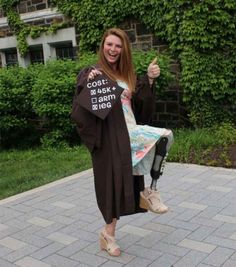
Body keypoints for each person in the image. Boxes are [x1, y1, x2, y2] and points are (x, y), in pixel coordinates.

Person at [71, 28, 173, 257]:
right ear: (103, 46)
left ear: (123, 49)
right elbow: (81, 109)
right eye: (109, 44)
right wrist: (88, 84)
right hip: (109, 140)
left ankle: (151, 191)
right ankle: (108, 235)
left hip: (130, 132)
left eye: (118, 46)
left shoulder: (128, 75)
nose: (113, 49)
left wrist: (149, 79)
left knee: (164, 136)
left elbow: (142, 109)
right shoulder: (93, 73)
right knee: (113, 187)